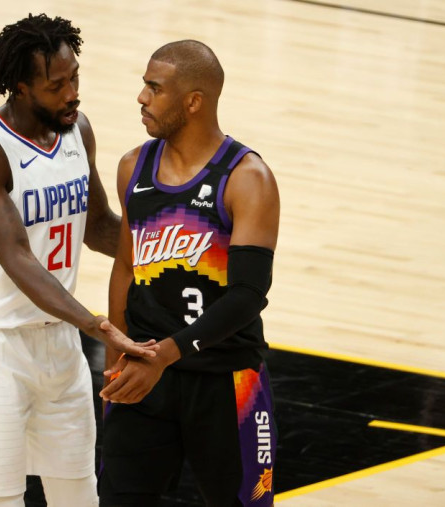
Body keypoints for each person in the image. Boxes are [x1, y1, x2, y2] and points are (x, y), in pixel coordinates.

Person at [0, 14, 157, 507]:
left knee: (79, 495)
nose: (73, 93)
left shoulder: (77, 130)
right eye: (57, 85)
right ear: (20, 87)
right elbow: (18, 259)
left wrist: (165, 255)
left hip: (57, 338)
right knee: (0, 500)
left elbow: (97, 226)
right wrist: (98, 325)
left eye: (75, 77)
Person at [98, 40, 280, 507]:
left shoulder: (246, 178)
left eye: (154, 88)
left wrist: (168, 353)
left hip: (225, 380)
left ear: (193, 101)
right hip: (144, 373)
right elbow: (125, 265)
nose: (141, 97)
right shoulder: (132, 168)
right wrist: (117, 347)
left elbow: (247, 294)